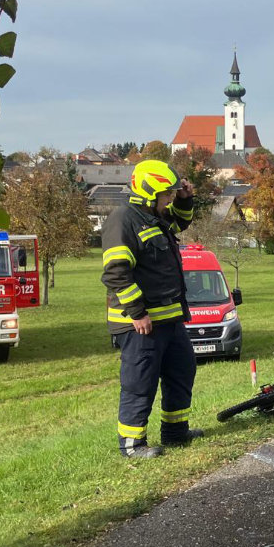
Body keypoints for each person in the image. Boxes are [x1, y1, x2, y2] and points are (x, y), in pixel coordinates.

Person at [101, 160, 202, 458]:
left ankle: (175, 433)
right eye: (167, 194)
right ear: (148, 193)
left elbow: (180, 222)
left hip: (169, 320)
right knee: (139, 383)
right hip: (141, 324)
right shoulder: (123, 220)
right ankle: (132, 445)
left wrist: (186, 199)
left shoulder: (153, 216)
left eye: (172, 194)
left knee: (182, 371)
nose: (170, 198)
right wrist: (137, 312)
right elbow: (116, 272)